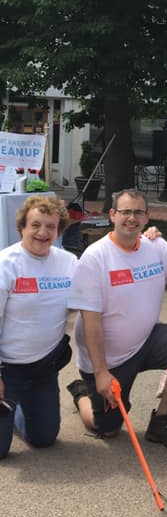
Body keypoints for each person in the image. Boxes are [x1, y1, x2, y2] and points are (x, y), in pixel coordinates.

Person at [66, 189, 167, 450]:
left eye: (138, 212)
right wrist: (101, 373)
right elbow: (91, 322)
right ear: (112, 214)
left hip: (146, 341)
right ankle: (82, 394)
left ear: (147, 216)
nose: (132, 218)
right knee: (107, 428)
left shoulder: (156, 246)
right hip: (107, 361)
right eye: (125, 211)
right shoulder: (95, 258)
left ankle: (162, 420)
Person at [0, 196, 77, 460]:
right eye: (35, 225)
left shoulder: (68, 263)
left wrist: (144, 240)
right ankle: (11, 403)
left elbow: (95, 298)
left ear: (59, 230)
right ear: (22, 226)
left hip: (44, 367)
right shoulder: (6, 264)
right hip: (6, 369)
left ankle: (18, 409)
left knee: (44, 439)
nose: (43, 233)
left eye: (51, 227)